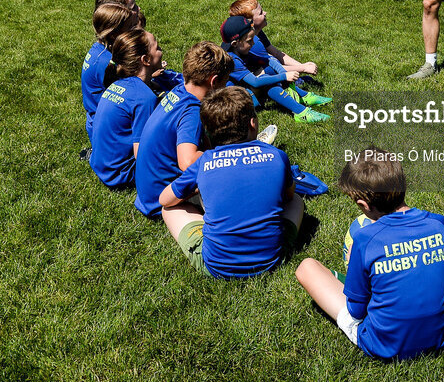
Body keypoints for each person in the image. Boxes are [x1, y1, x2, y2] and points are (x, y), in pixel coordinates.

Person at [294, 149, 444, 361]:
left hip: (384, 345)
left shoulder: (364, 239)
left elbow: (356, 312)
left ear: (363, 205)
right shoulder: (439, 223)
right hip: (442, 335)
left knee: (306, 267)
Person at [158, 86, 304, 279]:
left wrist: (196, 188)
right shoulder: (277, 155)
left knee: (169, 209)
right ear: (253, 123)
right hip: (272, 258)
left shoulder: (204, 161)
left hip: (217, 265)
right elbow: (289, 196)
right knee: (297, 201)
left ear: (209, 132)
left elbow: (164, 199)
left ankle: (214, 233)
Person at [133, 41, 234, 218]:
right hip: (162, 198)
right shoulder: (192, 112)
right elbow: (187, 162)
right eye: (224, 83)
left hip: (148, 192)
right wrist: (228, 154)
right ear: (215, 81)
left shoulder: (179, 91)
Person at [89, 27, 163, 189]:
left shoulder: (115, 84)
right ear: (146, 60)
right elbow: (142, 153)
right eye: (157, 48)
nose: (161, 51)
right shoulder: (144, 98)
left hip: (101, 165)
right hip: (120, 174)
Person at [220, 15, 330, 123]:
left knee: (269, 70)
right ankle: (301, 113)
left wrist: (282, 73)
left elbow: (268, 60)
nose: (253, 43)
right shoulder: (231, 60)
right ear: (235, 43)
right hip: (237, 103)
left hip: (246, 92)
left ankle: (302, 96)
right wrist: (284, 76)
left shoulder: (240, 50)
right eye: (249, 40)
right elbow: (255, 82)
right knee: (265, 80)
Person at [81, 0, 140, 141]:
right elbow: (131, 94)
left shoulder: (99, 50)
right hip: (108, 131)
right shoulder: (106, 62)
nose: (135, 30)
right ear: (114, 34)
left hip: (97, 120)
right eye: (130, 27)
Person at [228, 0, 318, 78]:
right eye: (260, 13)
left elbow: (276, 53)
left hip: (263, 71)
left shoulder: (257, 32)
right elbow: (271, 67)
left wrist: (303, 65)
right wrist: (303, 68)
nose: (265, 13)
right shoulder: (250, 43)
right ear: (249, 21)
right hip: (252, 78)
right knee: (270, 63)